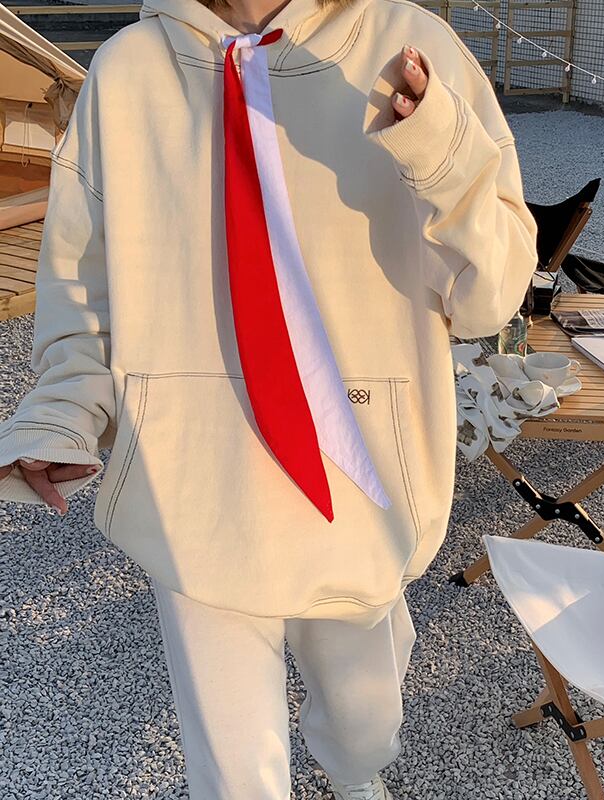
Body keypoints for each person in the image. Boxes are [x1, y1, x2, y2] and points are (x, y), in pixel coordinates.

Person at [0, 0, 538, 795]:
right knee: (234, 776)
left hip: (359, 472)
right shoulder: (129, 70)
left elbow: (492, 298)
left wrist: (441, 152)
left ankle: (355, 775)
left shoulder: (409, 45)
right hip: (191, 472)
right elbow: (83, 275)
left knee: (365, 730)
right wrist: (63, 411)